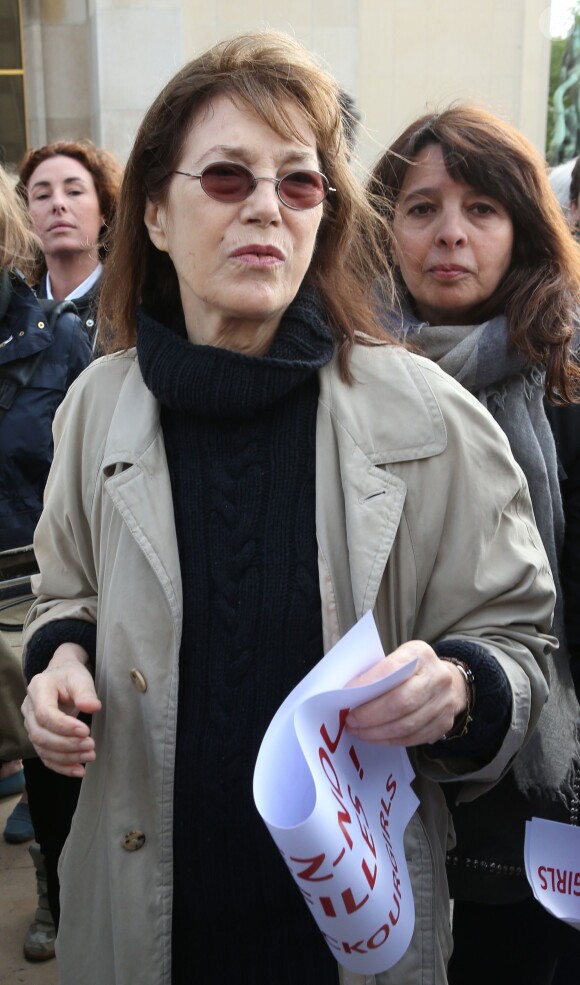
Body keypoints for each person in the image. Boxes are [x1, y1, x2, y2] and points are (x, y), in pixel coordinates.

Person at [21, 32, 555, 985]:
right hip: (143, 919)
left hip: (351, 926)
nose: (267, 206)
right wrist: (58, 657)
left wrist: (463, 685)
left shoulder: (430, 415)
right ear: (150, 211)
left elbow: (520, 642)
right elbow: (69, 590)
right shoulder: (95, 405)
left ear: (325, 216)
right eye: (227, 178)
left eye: (299, 184)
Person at [369, 104, 580, 985]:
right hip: (375, 792)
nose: (450, 233)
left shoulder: (568, 392)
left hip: (544, 804)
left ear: (522, 226)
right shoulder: (341, 390)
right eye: (422, 207)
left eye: (482, 208)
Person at [0, 162, 91, 960]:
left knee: (52, 765)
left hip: (30, 584)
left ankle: (61, 889)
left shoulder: (64, 340)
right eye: (43, 191)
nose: (58, 207)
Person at [17, 140, 122, 351]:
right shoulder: (14, 314)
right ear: (26, 218)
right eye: (42, 195)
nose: (58, 204)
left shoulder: (132, 309)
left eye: (74, 191)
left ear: (105, 211)